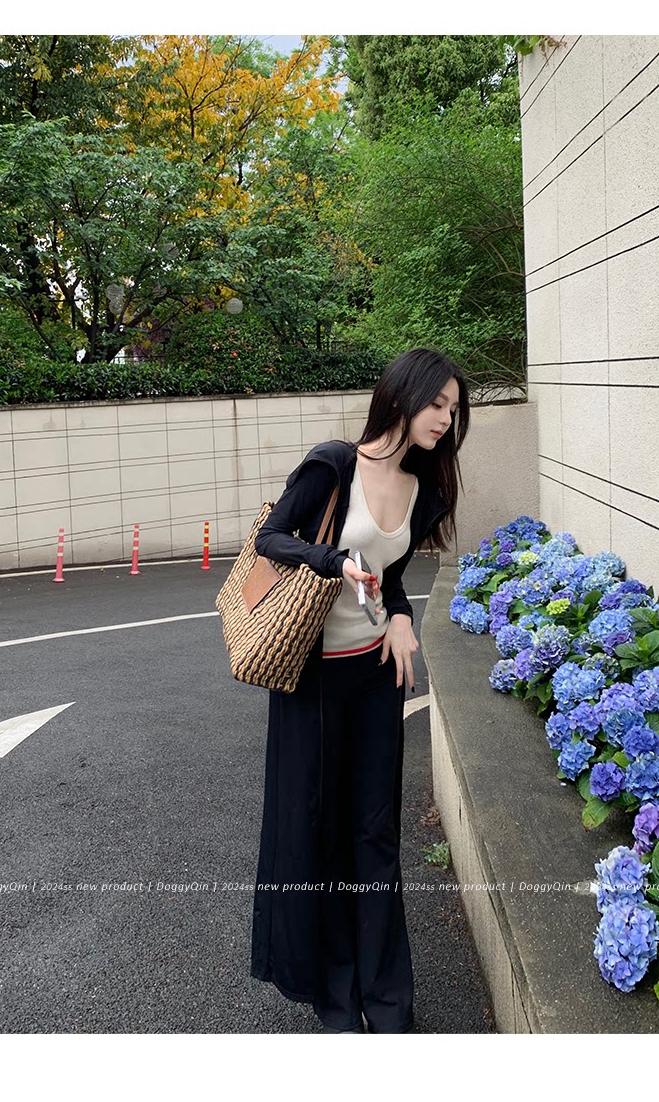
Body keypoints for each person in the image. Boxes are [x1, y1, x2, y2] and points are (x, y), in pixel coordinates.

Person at [250, 348, 470, 1033]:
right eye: (437, 403)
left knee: (375, 831)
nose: (445, 419)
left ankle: (389, 998)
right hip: (311, 677)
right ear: (401, 397)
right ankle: (337, 995)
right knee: (318, 830)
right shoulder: (334, 465)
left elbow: (392, 578)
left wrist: (400, 617)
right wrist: (334, 560)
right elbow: (270, 539)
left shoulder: (423, 489)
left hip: (376, 675)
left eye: (454, 410)